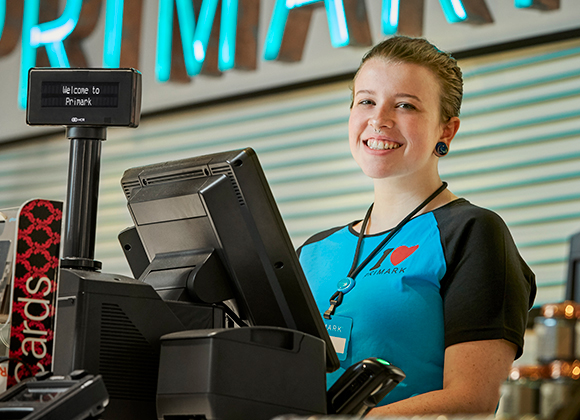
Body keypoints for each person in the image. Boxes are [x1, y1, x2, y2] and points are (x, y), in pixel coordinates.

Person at [297, 36, 537, 415]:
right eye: (366, 101)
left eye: (405, 105)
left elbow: (474, 399)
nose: (379, 119)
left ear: (447, 130)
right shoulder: (311, 252)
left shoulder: (471, 232)